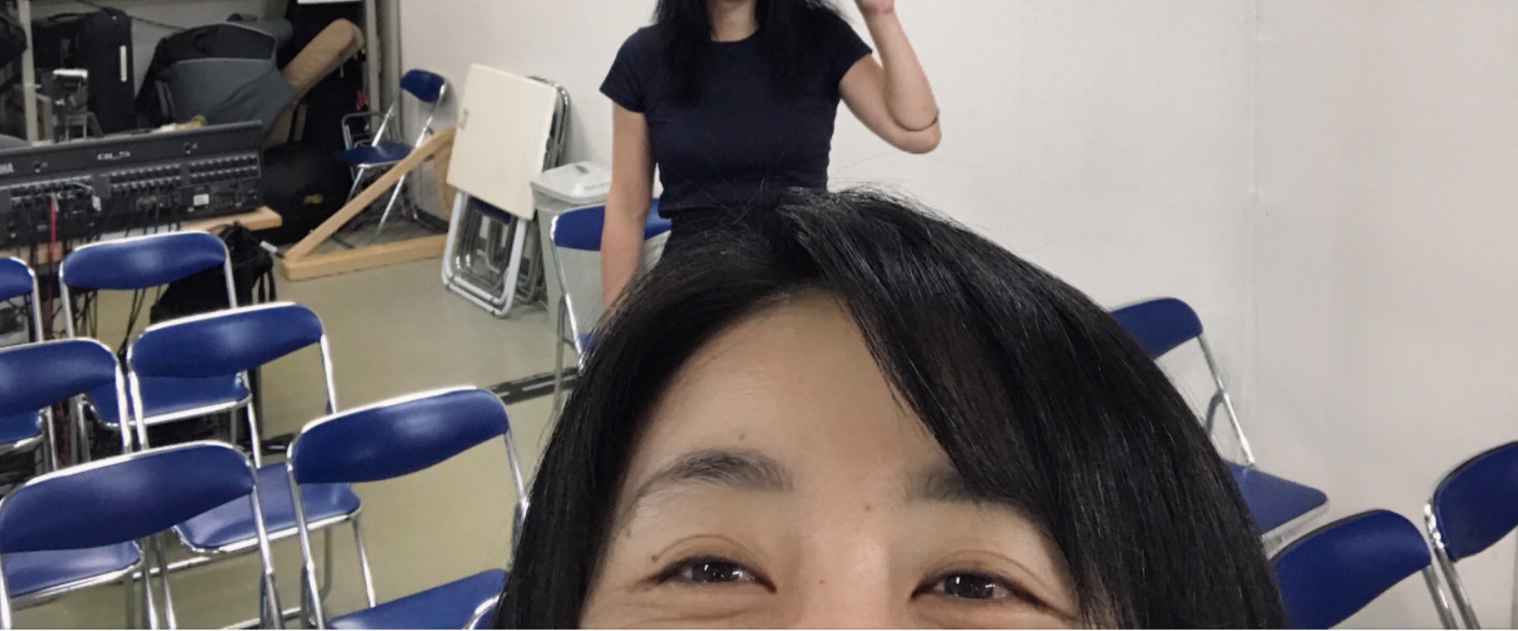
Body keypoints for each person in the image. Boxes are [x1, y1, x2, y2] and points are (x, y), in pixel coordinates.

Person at [496, 190, 1286, 629]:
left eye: (974, 583)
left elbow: (912, 118)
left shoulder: (817, 38)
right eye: (709, 568)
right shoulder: (652, 60)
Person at [599, 0, 939, 308]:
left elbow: (918, 131)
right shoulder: (644, 57)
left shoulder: (820, 39)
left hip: (803, 283)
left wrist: (880, 14)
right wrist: (617, 327)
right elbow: (626, 206)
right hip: (694, 294)